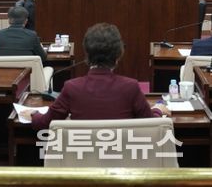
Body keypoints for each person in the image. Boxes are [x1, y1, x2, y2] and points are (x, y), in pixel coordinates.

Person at [22, 23, 171, 130]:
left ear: (87, 53)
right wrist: (158, 110)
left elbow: (46, 122)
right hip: (121, 160)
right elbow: (151, 124)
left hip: (83, 160)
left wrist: (34, 114)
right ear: (118, 55)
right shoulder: (130, 87)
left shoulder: (72, 87)